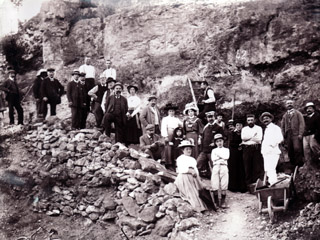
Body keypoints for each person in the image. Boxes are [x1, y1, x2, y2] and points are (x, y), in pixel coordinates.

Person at [174, 140, 208, 212]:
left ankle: (204, 205)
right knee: (191, 192)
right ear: (183, 150)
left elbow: (195, 169)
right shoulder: (180, 158)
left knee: (200, 190)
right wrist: (190, 171)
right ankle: (198, 208)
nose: (189, 150)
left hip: (194, 177)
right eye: (187, 149)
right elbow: (181, 169)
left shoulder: (192, 159)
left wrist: (198, 177)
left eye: (190, 149)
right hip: (184, 177)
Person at [197, 111, 223, 178]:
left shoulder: (218, 127)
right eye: (208, 117)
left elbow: (223, 138)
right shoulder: (205, 127)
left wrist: (215, 143)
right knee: (198, 164)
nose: (210, 119)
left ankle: (216, 182)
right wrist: (201, 148)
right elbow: (202, 138)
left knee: (214, 167)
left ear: (214, 117)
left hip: (213, 151)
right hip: (204, 150)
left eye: (211, 117)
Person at [241, 114, 264, 188]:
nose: (250, 121)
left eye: (251, 120)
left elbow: (259, 139)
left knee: (256, 166)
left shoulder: (259, 128)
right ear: (246, 121)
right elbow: (243, 138)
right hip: (247, 148)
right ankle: (248, 185)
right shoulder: (244, 129)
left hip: (256, 148)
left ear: (254, 120)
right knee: (247, 166)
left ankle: (256, 185)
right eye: (248, 120)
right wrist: (253, 136)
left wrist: (248, 138)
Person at [260, 112, 284, 185]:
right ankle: (271, 184)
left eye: (267, 118)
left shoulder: (275, 128)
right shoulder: (266, 129)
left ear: (271, 119)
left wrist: (271, 144)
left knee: (271, 169)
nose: (265, 120)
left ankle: (273, 184)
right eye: (264, 119)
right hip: (266, 152)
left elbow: (280, 138)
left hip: (273, 151)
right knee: (267, 169)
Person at [281, 99, 305, 167]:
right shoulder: (285, 115)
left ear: (293, 104)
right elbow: (282, 126)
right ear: (286, 105)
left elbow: (302, 124)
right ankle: (293, 165)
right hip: (288, 135)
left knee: (297, 148)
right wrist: (283, 136)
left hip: (296, 134)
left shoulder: (298, 113)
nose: (289, 104)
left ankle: (299, 165)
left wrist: (300, 133)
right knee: (290, 150)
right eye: (288, 103)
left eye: (291, 103)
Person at [161, 103, 183, 169]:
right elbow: (163, 128)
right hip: (169, 133)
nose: (171, 112)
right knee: (168, 147)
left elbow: (182, 125)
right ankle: (168, 163)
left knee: (175, 148)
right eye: (170, 111)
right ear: (168, 112)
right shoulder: (165, 119)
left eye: (173, 111)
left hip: (176, 133)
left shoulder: (176, 119)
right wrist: (165, 136)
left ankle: (175, 163)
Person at [227, 119, 247, 193]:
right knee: (234, 168)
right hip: (234, 153)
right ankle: (233, 187)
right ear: (235, 126)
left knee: (241, 169)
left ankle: (242, 187)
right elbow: (231, 143)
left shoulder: (244, 133)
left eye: (240, 125)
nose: (239, 127)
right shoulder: (232, 133)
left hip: (242, 153)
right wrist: (239, 145)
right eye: (237, 125)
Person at [211, 134, 229, 208]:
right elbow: (213, 159)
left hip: (224, 166)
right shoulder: (214, 150)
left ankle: (223, 201)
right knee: (215, 184)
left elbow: (226, 157)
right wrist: (221, 157)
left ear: (223, 141)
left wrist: (218, 156)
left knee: (224, 183)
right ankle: (216, 201)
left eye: (220, 141)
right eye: (217, 141)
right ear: (215, 143)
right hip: (216, 166)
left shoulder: (226, 150)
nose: (219, 143)